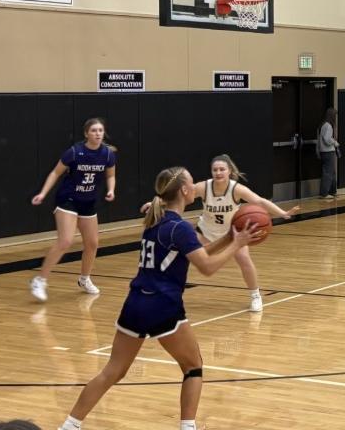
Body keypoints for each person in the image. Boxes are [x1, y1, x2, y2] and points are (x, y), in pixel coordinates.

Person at [55, 167, 262, 430]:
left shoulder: (158, 221)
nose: (195, 186)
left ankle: (69, 425)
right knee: (193, 367)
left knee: (112, 372)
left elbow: (196, 252)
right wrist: (237, 243)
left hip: (136, 303)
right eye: (191, 182)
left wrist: (229, 237)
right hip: (163, 305)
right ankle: (188, 427)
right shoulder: (181, 227)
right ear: (186, 191)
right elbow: (207, 267)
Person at [188, 155, 299, 312]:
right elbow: (181, 196)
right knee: (184, 258)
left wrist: (282, 213)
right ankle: (173, 292)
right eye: (215, 170)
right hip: (205, 231)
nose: (218, 172)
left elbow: (259, 201)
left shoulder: (236, 189)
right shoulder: (203, 187)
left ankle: (255, 296)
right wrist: (157, 203)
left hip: (232, 233)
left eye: (222, 169)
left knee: (244, 260)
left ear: (229, 171)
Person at [30, 118, 118, 302]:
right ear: (86, 133)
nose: (98, 133)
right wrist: (43, 193)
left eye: (101, 130)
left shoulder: (108, 155)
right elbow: (55, 172)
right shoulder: (74, 152)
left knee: (92, 243)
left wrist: (111, 189)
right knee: (65, 241)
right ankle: (40, 280)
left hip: (89, 201)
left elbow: (111, 175)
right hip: (68, 200)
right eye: (94, 130)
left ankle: (84, 279)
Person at [318, 107, 339, 199]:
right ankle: (324, 193)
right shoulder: (328, 126)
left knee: (332, 172)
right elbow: (327, 139)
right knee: (328, 173)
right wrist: (335, 142)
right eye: (335, 115)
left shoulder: (323, 125)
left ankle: (332, 191)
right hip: (328, 151)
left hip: (324, 152)